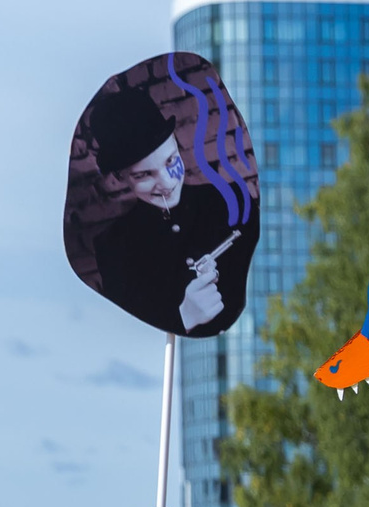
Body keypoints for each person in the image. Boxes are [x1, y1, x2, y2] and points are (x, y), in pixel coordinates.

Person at [80, 81, 253, 336]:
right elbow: (129, 331)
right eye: (143, 175)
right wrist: (183, 318)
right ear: (119, 178)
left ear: (177, 145)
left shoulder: (232, 201)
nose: (167, 182)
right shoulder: (113, 249)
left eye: (171, 161)